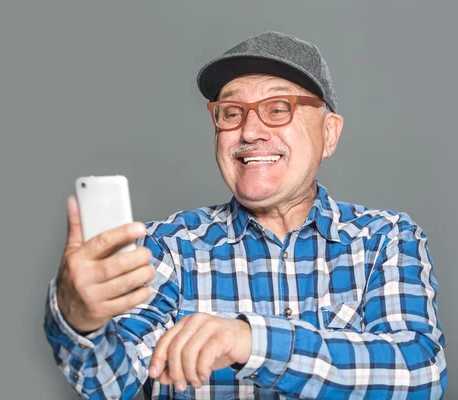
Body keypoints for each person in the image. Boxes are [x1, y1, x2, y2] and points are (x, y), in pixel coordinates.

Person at [44, 31, 447, 399]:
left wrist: (252, 341)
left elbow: (419, 375)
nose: (249, 131)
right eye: (232, 112)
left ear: (329, 134)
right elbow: (115, 384)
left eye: (277, 108)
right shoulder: (167, 248)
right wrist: (80, 320)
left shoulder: (386, 238)